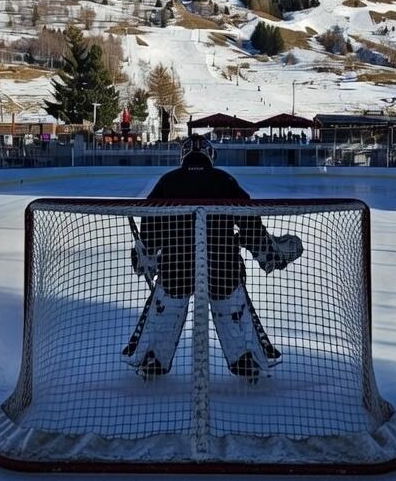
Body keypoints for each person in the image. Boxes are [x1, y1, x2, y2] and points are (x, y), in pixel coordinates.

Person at [122, 134, 301, 382]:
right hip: (222, 263)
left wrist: (146, 256)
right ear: (210, 155)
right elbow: (249, 223)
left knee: (166, 310)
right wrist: (266, 253)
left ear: (183, 155)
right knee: (232, 309)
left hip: (176, 265)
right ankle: (247, 359)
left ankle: (152, 358)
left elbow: (151, 227)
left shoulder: (168, 180)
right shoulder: (225, 180)